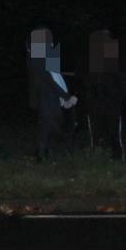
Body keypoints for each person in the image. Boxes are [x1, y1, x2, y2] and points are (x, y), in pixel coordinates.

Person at [27, 26, 76, 161]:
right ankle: (41, 154)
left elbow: (56, 76)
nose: (51, 44)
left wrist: (65, 95)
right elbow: (49, 79)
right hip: (46, 97)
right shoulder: (37, 58)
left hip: (52, 97)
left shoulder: (47, 56)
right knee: (49, 125)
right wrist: (65, 96)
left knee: (51, 125)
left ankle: (43, 153)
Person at [82, 29, 126, 158]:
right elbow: (85, 81)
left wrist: (116, 98)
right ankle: (97, 156)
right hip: (94, 104)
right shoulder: (89, 60)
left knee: (114, 134)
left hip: (112, 104)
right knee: (96, 133)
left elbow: (122, 83)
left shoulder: (114, 59)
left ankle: (117, 157)